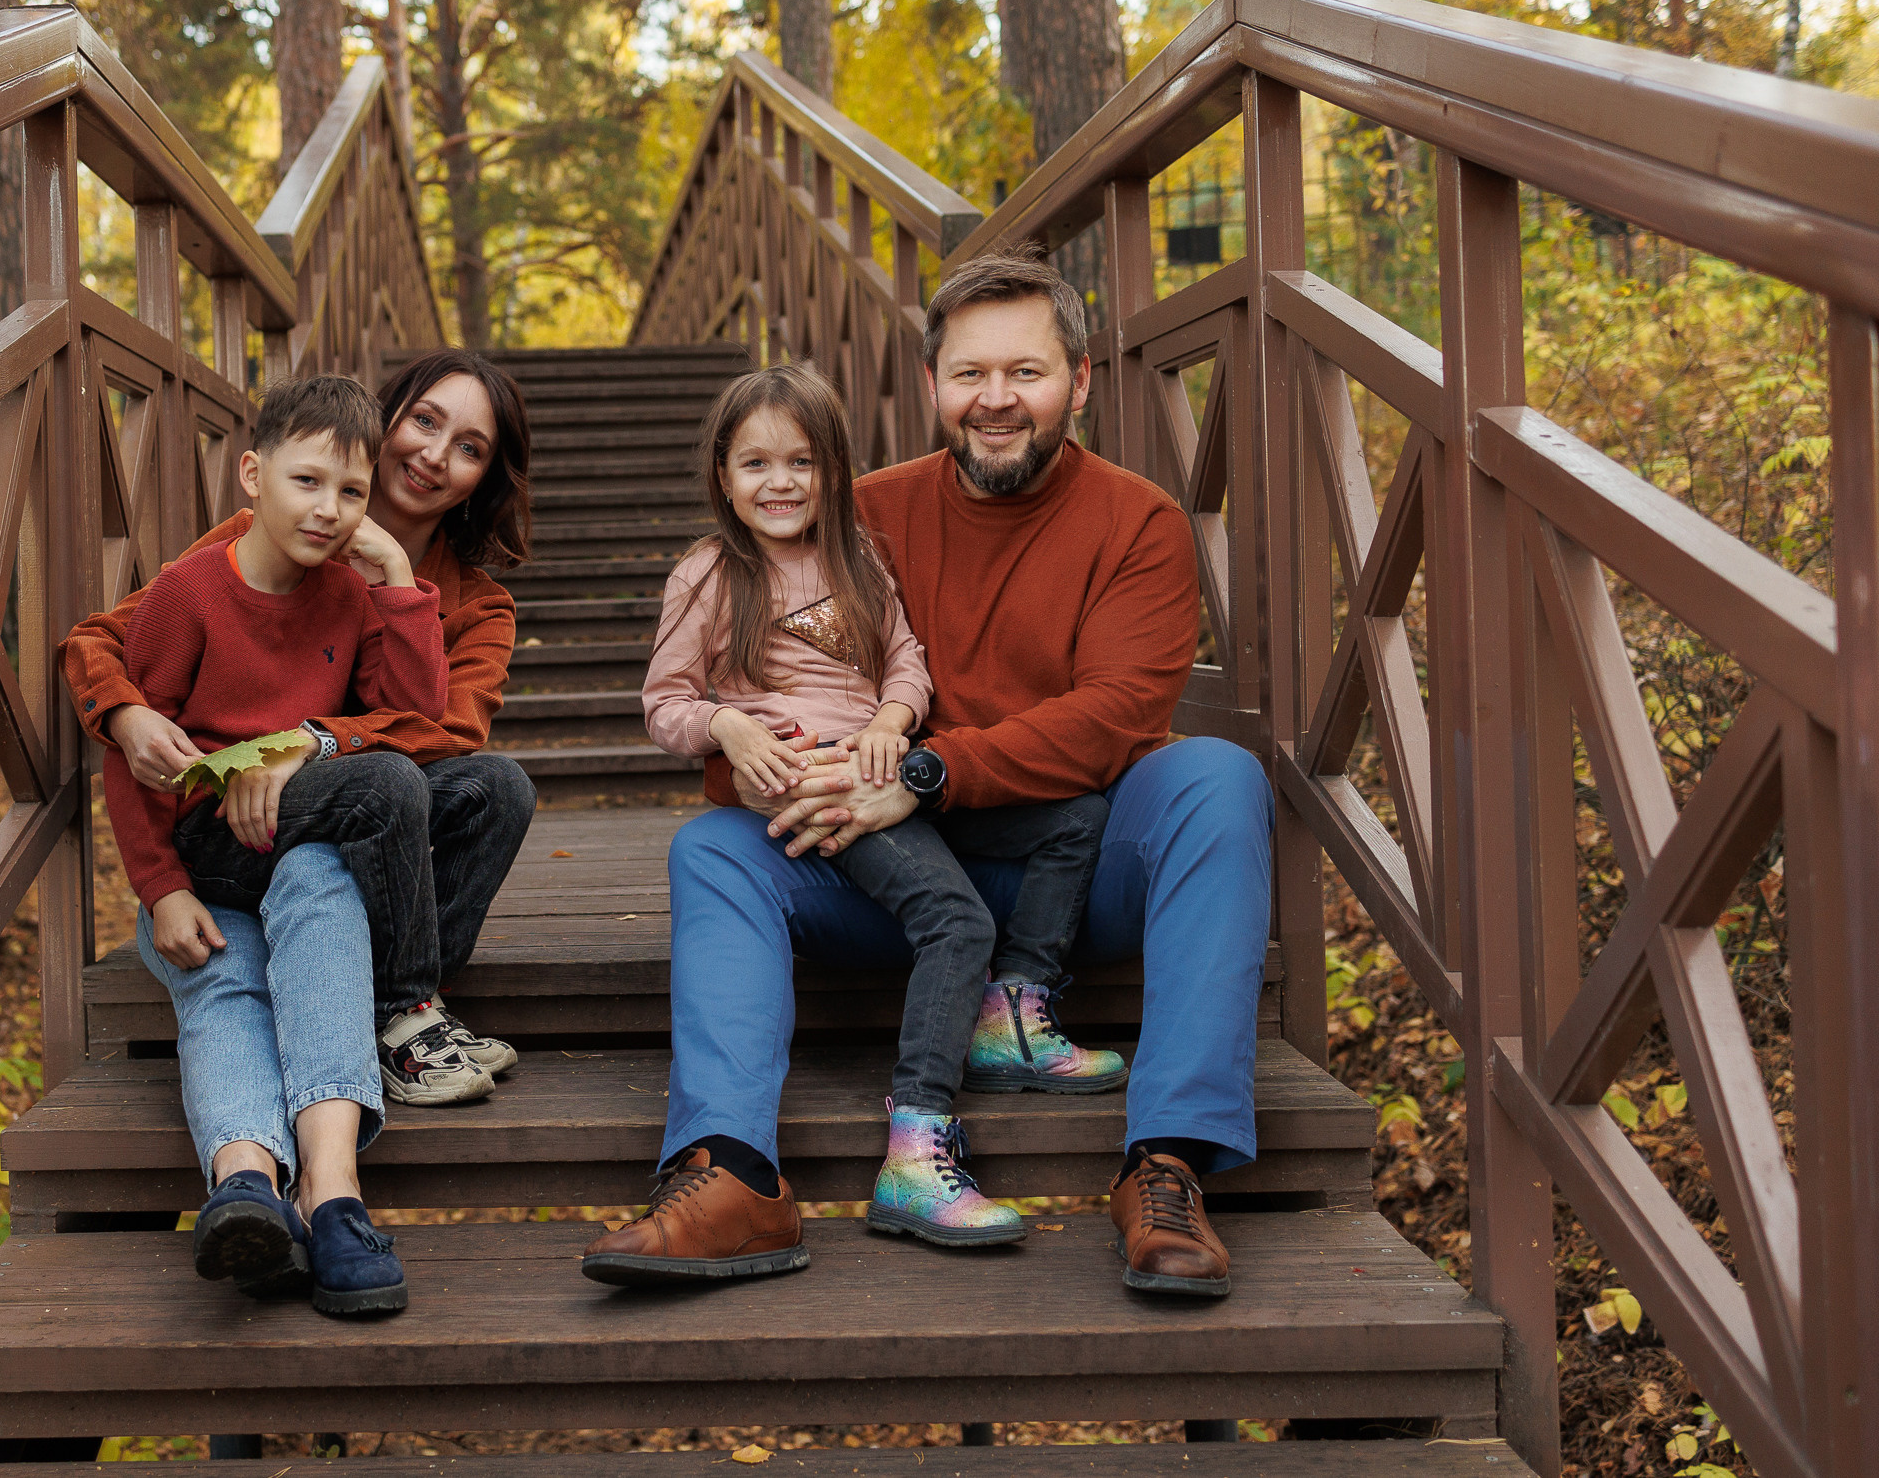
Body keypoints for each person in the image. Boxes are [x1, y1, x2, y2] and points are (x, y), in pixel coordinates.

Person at [580, 252, 1273, 1299]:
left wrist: (924, 767)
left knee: (1215, 777)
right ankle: (728, 1170)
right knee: (711, 846)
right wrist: (775, 766)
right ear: (932, 384)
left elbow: (1115, 717)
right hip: (878, 872)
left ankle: (1164, 1164)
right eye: (968, 373)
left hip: (1065, 864)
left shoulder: (1138, 524)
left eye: (1026, 373)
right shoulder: (850, 515)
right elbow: (745, 686)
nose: (995, 400)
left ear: (1080, 382)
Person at [612, 365, 1111, 1270]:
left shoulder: (855, 557)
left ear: (835, 469)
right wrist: (725, 725)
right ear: (722, 475)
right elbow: (664, 701)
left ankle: (1016, 1007)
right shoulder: (709, 573)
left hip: (893, 781)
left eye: (802, 460)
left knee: (1073, 813)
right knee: (956, 921)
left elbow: (905, 662)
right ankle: (918, 1150)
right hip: (816, 790)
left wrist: (891, 718)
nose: (781, 482)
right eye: (756, 462)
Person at [62, 350, 540, 1109]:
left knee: (499, 787)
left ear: (485, 475)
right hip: (236, 811)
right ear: (384, 425)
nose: (435, 455)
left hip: (358, 793)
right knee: (384, 781)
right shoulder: (272, 529)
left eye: (471, 448)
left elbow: (443, 729)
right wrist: (125, 712)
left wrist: (310, 741)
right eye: (424, 421)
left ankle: (397, 1002)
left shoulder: (479, 606)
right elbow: (107, 637)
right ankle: (402, 1015)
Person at [96, 372, 448, 1314]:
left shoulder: (349, 594)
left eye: (353, 492)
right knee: (219, 968)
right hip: (203, 853)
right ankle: (258, 1171)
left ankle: (307, 1193)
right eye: (307, 482)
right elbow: (132, 755)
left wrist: (401, 583)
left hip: (298, 844)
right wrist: (163, 887)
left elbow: (416, 715)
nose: (330, 511)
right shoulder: (188, 593)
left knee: (322, 884)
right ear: (251, 475)